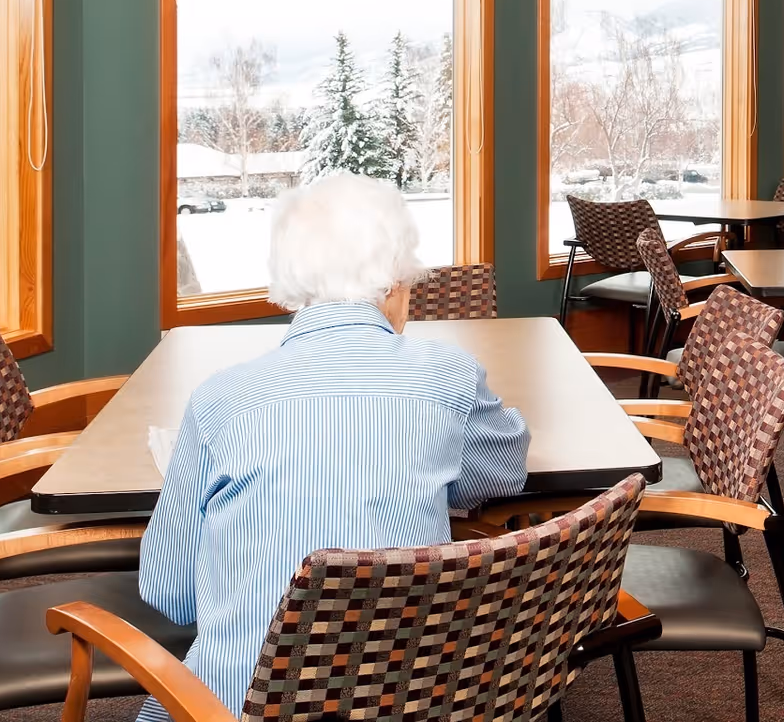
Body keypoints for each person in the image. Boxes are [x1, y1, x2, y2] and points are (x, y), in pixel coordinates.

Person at [137, 173, 530, 719]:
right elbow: (502, 473)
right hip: (417, 699)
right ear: (394, 279)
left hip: (237, 708)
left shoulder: (218, 400)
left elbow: (170, 593)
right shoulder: (449, 376)